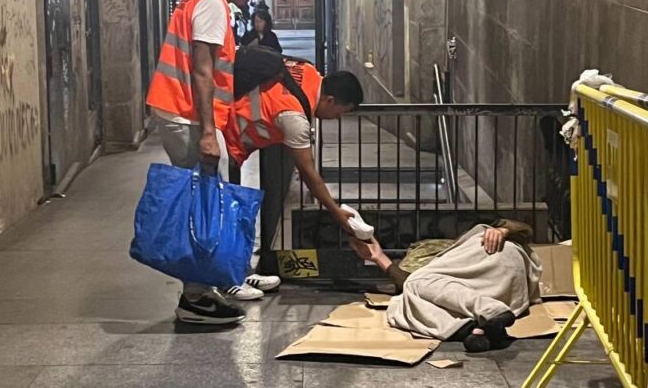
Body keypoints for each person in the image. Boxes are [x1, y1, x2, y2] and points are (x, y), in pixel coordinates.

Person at [146, 0, 278, 326]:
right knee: (204, 204)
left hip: (180, 111)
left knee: (205, 200)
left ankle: (210, 283)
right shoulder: (212, 4)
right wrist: (208, 131)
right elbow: (202, 70)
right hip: (188, 116)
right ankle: (196, 297)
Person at [351, 220, 542, 352]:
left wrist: (503, 230)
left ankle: (486, 313)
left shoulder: (455, 248)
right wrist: (378, 257)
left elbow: (524, 229)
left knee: (404, 302)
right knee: (404, 303)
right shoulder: (436, 263)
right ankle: (476, 329)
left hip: (498, 259)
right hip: (502, 289)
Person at [225, 61, 364, 240]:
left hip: (223, 118)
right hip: (227, 146)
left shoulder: (307, 69)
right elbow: (308, 173)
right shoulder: (294, 117)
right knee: (215, 218)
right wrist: (335, 211)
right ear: (329, 100)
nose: (337, 118)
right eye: (340, 112)